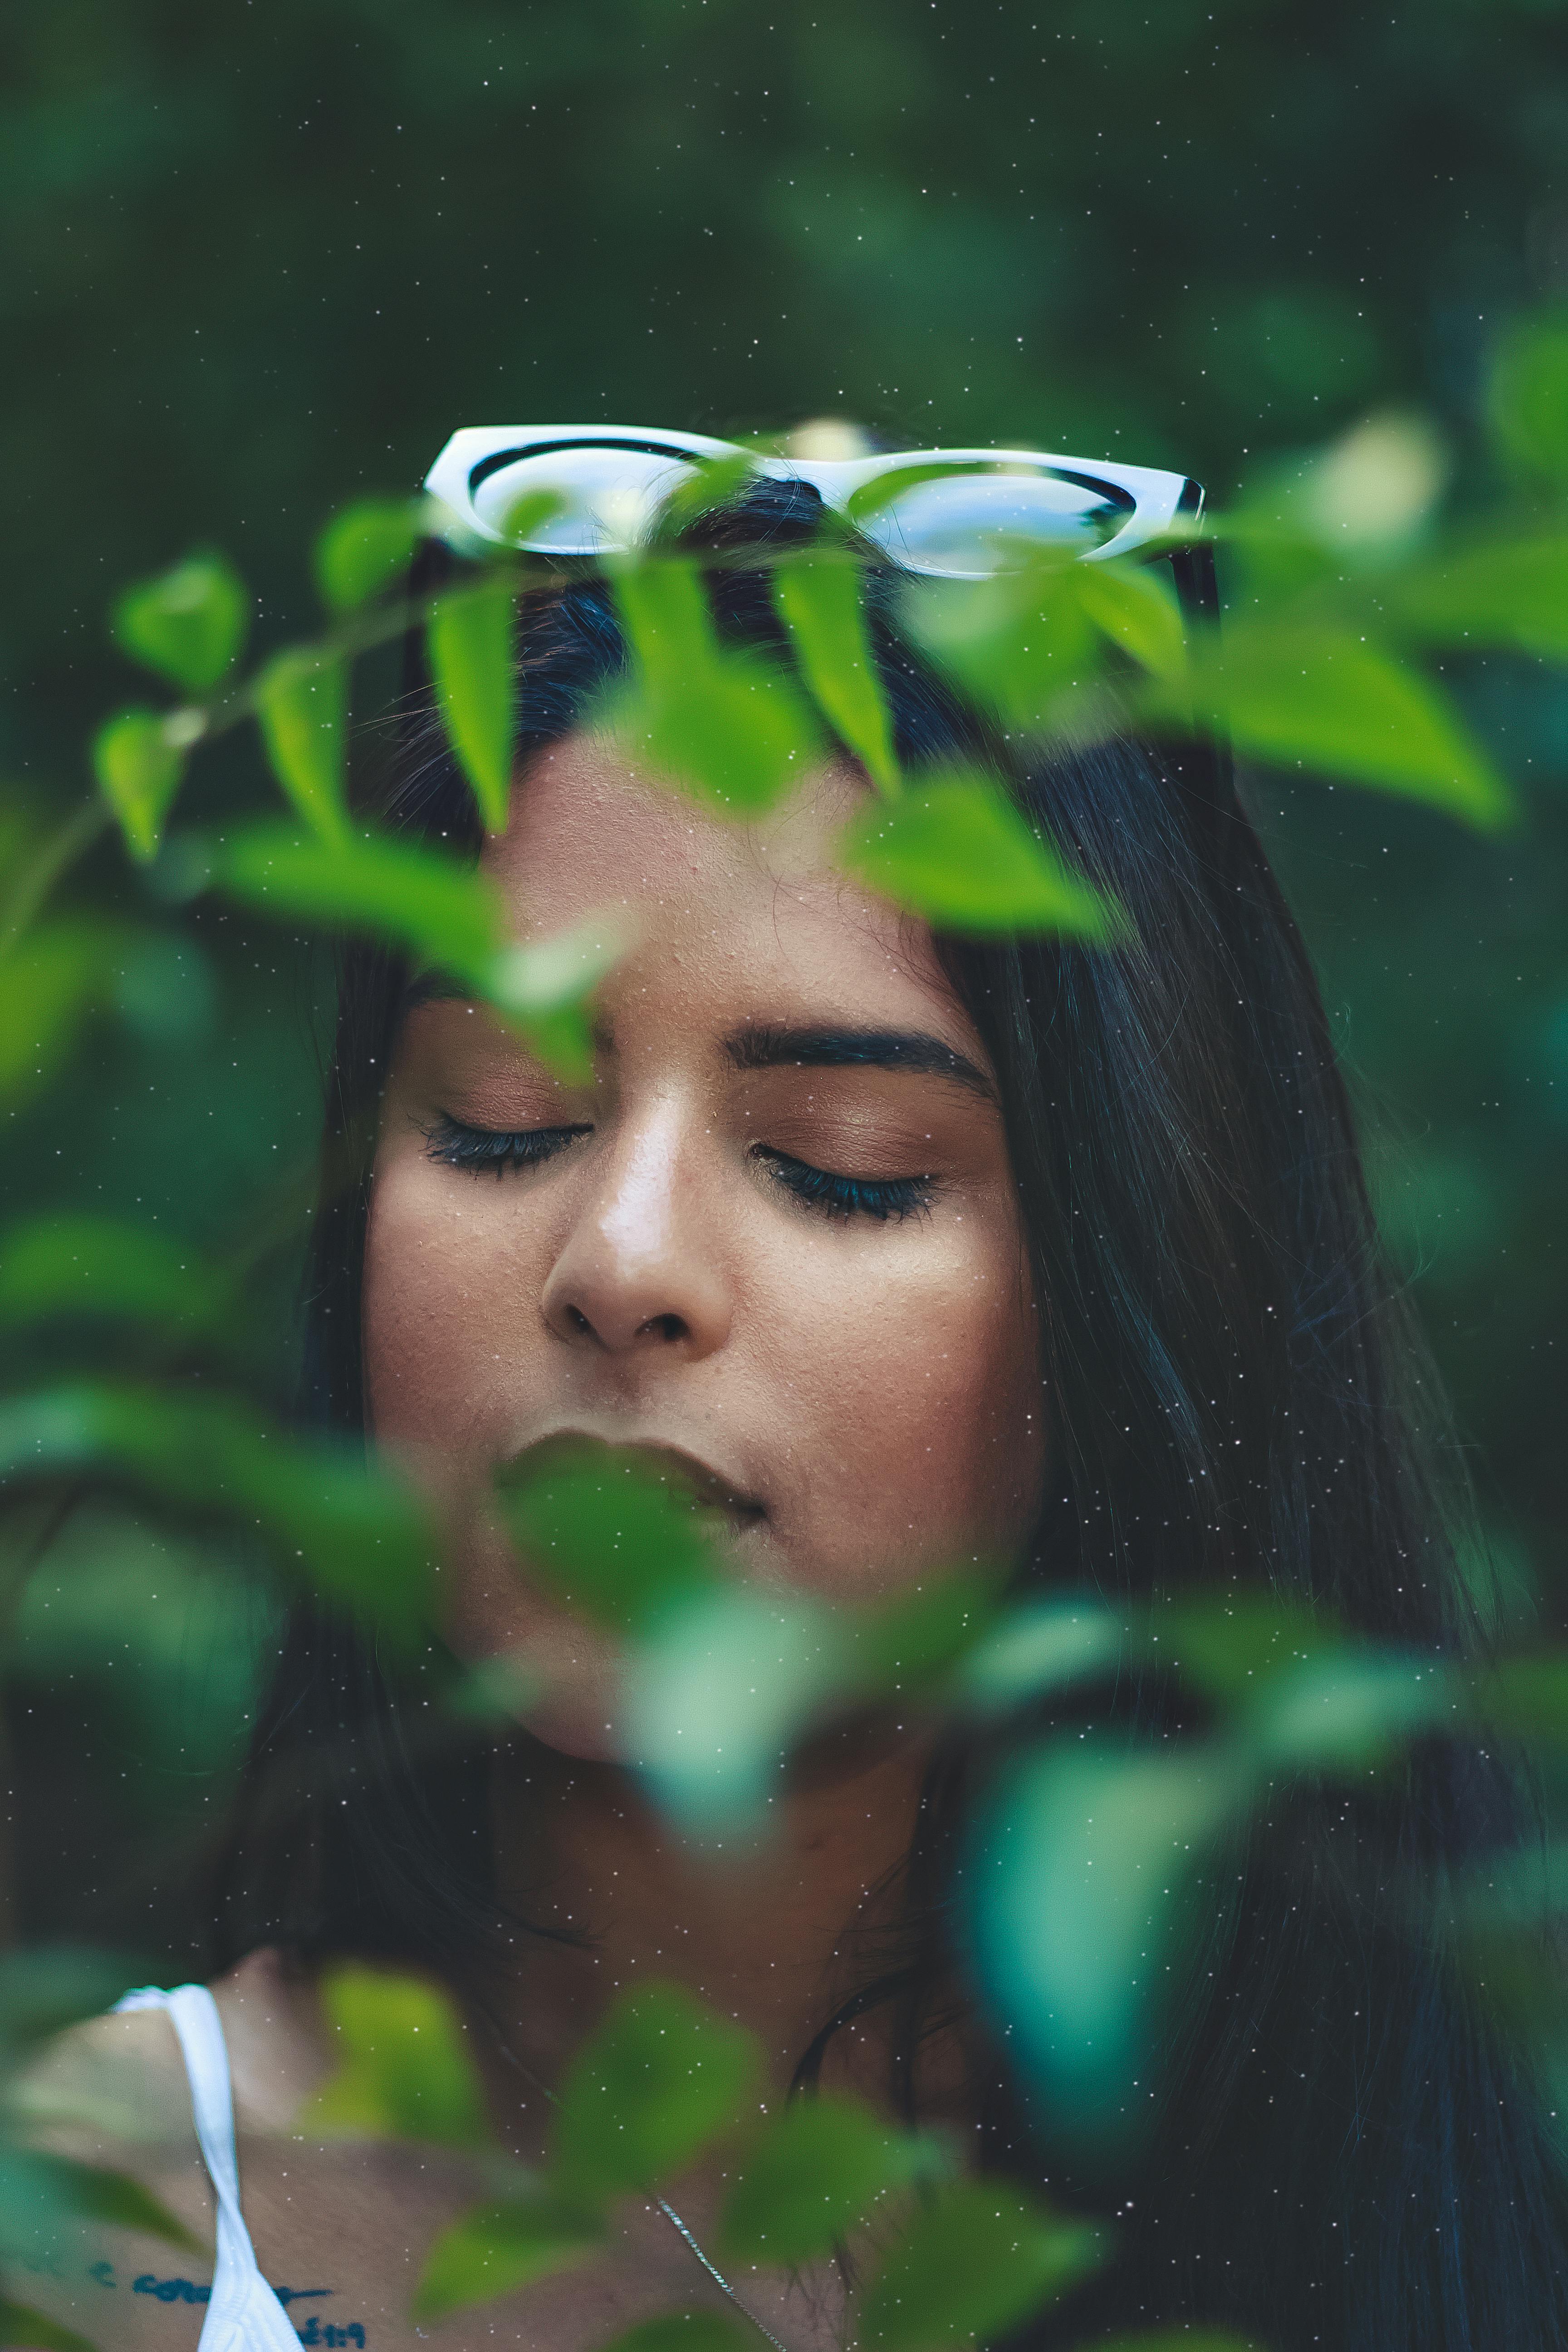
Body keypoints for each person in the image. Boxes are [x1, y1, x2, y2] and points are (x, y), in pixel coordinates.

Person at [19, 467, 1567, 2352]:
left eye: (842, 1162)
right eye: (502, 1114)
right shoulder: (93, 2223)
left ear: (1129, 1288)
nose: (623, 1257)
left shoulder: (1405, 2209)